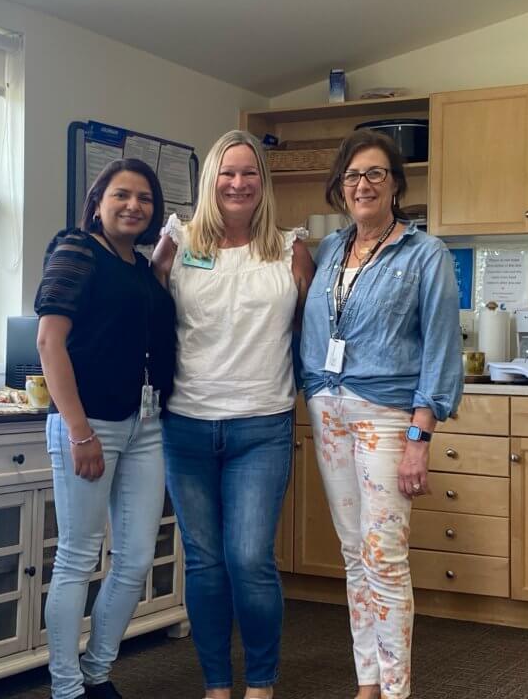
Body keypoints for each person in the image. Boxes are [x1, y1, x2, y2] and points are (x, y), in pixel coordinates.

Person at [299, 130, 463, 699]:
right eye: (352, 176)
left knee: (384, 555)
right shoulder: (328, 252)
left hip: (387, 415)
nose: (362, 185)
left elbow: (442, 349)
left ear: (395, 184)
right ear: (340, 189)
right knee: (353, 554)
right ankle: (366, 681)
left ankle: (395, 690)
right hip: (328, 408)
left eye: (374, 174)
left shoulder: (425, 254)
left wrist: (421, 435)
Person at [152, 129, 314, 699]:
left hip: (261, 424)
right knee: (204, 563)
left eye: (249, 173)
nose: (238, 183)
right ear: (210, 180)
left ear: (262, 184)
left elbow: (311, 335)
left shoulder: (290, 248)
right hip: (187, 425)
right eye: (227, 172)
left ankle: (262, 682)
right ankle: (217, 685)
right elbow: (148, 322)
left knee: (249, 559)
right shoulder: (177, 241)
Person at [35, 158, 176, 699]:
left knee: (137, 556)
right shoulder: (76, 249)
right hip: (88, 422)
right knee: (77, 556)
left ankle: (97, 671)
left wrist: (159, 270)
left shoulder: (137, 267)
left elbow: (145, 326)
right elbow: (50, 342)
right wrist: (78, 431)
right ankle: (67, 688)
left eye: (144, 199)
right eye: (122, 195)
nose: (133, 206)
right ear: (98, 200)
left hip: (145, 423)